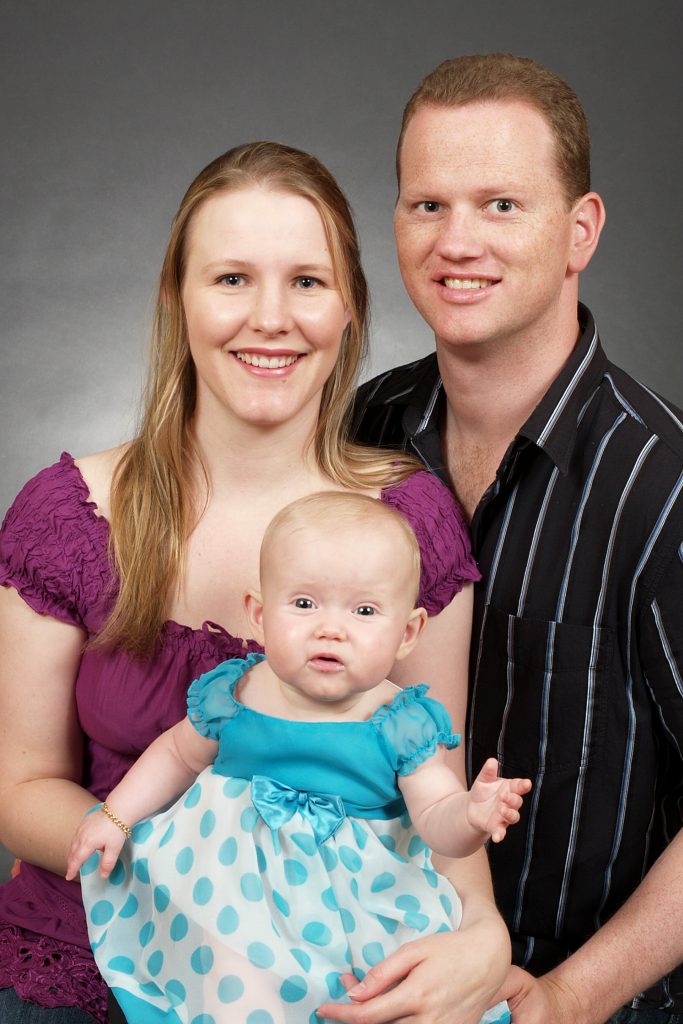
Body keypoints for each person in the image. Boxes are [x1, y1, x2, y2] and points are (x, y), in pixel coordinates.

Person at [0, 140, 511, 1024]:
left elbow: (433, 775)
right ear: (178, 299)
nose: (269, 317)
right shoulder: (66, 514)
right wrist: (199, 863)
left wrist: (484, 931)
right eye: (231, 278)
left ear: (349, 305)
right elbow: (18, 789)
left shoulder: (412, 524)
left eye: (307, 282)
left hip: (328, 986)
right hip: (88, 967)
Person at [350, 53, 683, 1024]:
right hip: (366, 979)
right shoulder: (360, 431)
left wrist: (567, 999)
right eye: (426, 206)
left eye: (500, 205)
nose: (457, 242)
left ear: (578, 231)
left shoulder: (661, 485)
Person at [66, 492, 530, 1024]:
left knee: (368, 995)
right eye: (305, 604)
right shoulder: (234, 694)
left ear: (407, 634)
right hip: (231, 891)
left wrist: (469, 816)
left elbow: (434, 820)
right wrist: (115, 815)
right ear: (260, 617)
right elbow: (175, 755)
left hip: (354, 905)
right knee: (228, 987)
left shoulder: (400, 722)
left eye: (364, 610)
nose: (330, 628)